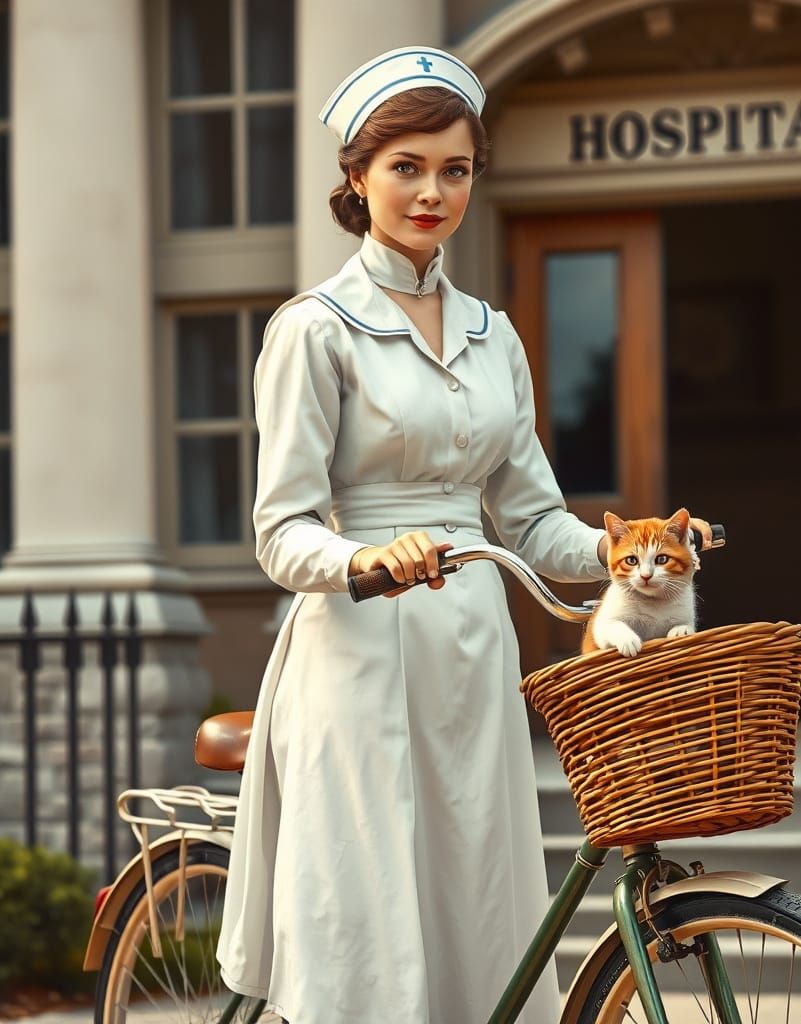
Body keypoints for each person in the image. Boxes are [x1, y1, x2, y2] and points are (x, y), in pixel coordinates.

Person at [217, 45, 706, 1023]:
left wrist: (629, 552)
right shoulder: (315, 329)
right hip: (359, 648)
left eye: (455, 168)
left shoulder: (494, 333)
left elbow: (527, 516)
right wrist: (362, 558)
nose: (432, 191)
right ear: (357, 177)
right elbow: (280, 531)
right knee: (374, 924)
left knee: (476, 902)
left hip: (474, 650)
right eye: (406, 167)